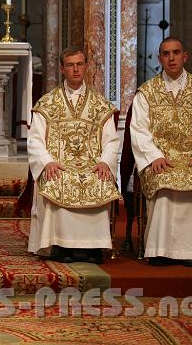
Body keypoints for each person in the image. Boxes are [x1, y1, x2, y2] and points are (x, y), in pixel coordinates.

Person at [130, 37, 192, 266]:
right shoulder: (146, 93)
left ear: (185, 56)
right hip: (160, 158)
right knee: (163, 179)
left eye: (175, 52)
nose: (171, 58)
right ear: (159, 58)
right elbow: (139, 130)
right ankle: (160, 250)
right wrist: (154, 157)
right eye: (165, 53)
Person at [27, 46, 121, 264]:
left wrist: (105, 162)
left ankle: (94, 247)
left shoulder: (100, 105)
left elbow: (111, 141)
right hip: (59, 165)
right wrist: (47, 161)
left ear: (86, 66)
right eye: (70, 65)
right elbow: (35, 140)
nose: (76, 69)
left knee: (99, 179)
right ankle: (60, 245)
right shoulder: (47, 104)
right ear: (62, 69)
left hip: (92, 165)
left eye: (80, 64)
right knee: (56, 179)